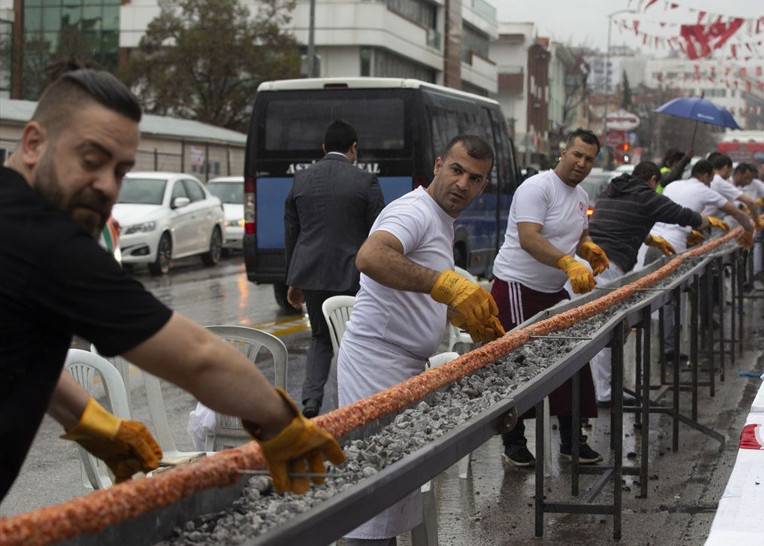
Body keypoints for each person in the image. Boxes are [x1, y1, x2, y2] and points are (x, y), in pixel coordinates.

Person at [0, 67, 343, 502]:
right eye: (90, 160)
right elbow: (198, 359)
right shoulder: (44, 240)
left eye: (120, 171)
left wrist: (88, 421)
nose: (106, 185)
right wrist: (281, 423)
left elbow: (23, 347)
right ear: (33, 143)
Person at [336, 134, 504, 545]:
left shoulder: (440, 221)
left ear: (483, 187)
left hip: (404, 365)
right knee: (372, 496)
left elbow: (416, 288)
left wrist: (457, 312)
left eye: (475, 178)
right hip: (376, 364)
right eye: (456, 170)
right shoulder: (414, 211)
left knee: (391, 493)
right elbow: (372, 257)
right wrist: (444, 286)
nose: (462, 183)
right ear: (438, 166)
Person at [490, 128, 609, 466]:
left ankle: (572, 440)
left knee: (572, 359)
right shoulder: (537, 188)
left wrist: (587, 247)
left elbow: (580, 232)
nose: (582, 163)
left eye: (589, 159)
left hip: (551, 290)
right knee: (517, 365)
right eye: (577, 155)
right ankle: (513, 442)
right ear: (563, 152)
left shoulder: (581, 196)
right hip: (516, 286)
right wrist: (568, 261)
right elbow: (529, 238)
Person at [585, 161, 722, 405]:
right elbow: (682, 214)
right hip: (607, 265)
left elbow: (626, 222)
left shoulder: (613, 189)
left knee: (596, 329)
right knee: (606, 331)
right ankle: (604, 393)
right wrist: (708, 222)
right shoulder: (647, 196)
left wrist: (652, 239)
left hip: (587, 259)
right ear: (653, 181)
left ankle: (603, 389)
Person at [284, 120, 385, 418]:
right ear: (353, 148)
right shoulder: (365, 182)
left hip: (312, 275)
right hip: (353, 276)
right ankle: (354, 404)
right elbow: (380, 231)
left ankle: (311, 402)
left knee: (320, 337)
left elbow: (292, 232)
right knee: (354, 339)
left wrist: (294, 278)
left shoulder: (301, 180)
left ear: (324, 148)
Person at [644, 159, 754, 362]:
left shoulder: (673, 185)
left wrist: (693, 230)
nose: (710, 183)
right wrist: (751, 230)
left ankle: (657, 349)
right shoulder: (704, 190)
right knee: (673, 299)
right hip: (673, 246)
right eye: (710, 180)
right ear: (705, 176)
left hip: (652, 242)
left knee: (650, 299)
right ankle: (669, 350)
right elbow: (737, 212)